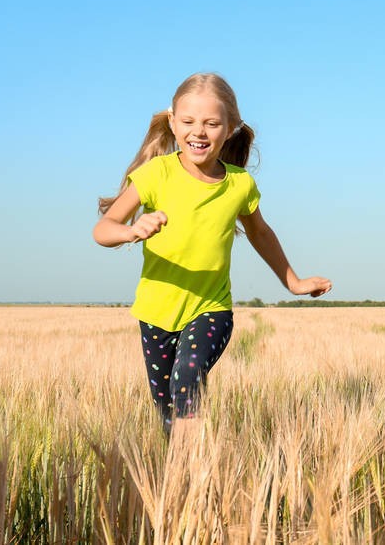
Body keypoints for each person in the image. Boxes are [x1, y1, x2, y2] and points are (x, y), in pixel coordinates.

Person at [94, 73, 331, 436]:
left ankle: (198, 474)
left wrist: (294, 283)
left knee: (187, 381)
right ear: (172, 122)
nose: (198, 132)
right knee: (167, 412)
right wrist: (131, 230)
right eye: (188, 122)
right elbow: (103, 229)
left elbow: (261, 234)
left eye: (211, 123)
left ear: (231, 128)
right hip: (156, 314)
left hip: (211, 308)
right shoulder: (156, 173)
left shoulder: (240, 184)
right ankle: (182, 480)